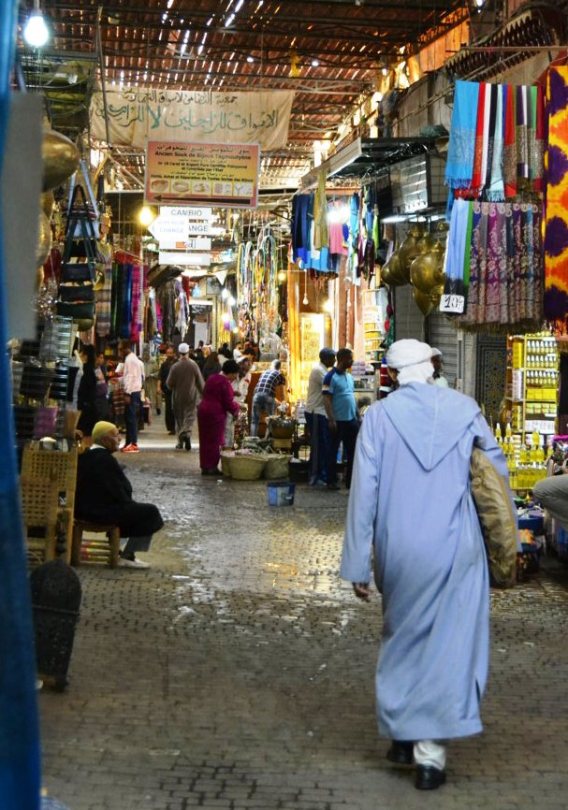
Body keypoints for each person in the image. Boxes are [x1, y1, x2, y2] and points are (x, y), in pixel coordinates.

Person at [340, 338, 513, 790]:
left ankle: (402, 733)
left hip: (400, 549)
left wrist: (357, 564)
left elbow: (364, 495)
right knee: (447, 648)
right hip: (457, 549)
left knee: (402, 639)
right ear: (432, 367)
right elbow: (496, 479)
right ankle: (430, 757)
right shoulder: (466, 410)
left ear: (396, 375)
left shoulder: (379, 418)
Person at [75, 421, 164, 569]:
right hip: (98, 511)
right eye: (116, 436)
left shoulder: (88, 455)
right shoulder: (105, 460)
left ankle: (121, 549)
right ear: (104, 440)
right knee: (150, 512)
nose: (120, 439)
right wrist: (130, 504)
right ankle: (128, 555)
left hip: (85, 509)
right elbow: (118, 491)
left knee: (135, 509)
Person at [322, 348, 359, 490]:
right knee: (332, 451)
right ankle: (331, 481)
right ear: (342, 359)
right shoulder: (330, 377)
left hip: (351, 420)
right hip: (337, 421)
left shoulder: (349, 377)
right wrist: (331, 419)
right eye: (350, 359)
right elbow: (326, 399)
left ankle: (350, 481)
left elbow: (351, 397)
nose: (352, 361)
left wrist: (357, 415)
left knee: (353, 451)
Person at [197, 359, 241, 475]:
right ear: (231, 373)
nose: (235, 377)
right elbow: (227, 402)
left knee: (205, 440)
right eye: (235, 375)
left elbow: (214, 392)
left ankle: (205, 466)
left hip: (203, 411)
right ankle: (212, 467)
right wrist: (236, 409)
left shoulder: (212, 378)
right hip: (215, 413)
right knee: (215, 441)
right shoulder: (225, 382)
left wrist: (233, 393)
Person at [305, 348, 336, 486]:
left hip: (320, 412)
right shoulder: (319, 371)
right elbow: (331, 386)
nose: (334, 361)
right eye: (333, 358)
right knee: (319, 445)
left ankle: (320, 474)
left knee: (323, 444)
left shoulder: (323, 370)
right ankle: (316, 475)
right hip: (316, 412)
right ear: (326, 359)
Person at [166, 342, 204, 451]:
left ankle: (180, 442)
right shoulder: (193, 365)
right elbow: (200, 382)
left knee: (179, 419)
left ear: (179, 352)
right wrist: (204, 394)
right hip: (191, 396)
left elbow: (169, 384)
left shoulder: (175, 367)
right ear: (188, 352)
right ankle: (186, 433)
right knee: (190, 417)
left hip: (177, 397)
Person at [119, 340, 144, 454]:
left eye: (120, 349)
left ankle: (133, 443)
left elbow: (131, 377)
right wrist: (119, 380)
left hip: (132, 392)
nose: (119, 352)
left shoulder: (130, 360)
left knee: (131, 418)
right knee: (129, 418)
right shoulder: (132, 359)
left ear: (126, 348)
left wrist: (127, 393)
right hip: (134, 391)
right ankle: (128, 442)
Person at [250, 360, 285, 436]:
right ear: (279, 367)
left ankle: (252, 439)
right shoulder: (279, 373)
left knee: (254, 420)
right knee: (271, 419)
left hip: (256, 395)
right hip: (268, 396)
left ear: (271, 365)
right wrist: (283, 401)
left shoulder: (264, 372)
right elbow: (282, 388)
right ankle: (267, 439)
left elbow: (263, 387)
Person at [76, 345, 98, 441]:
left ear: (85, 356)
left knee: (83, 437)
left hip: (85, 409)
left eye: (80, 353)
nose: (79, 356)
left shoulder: (85, 370)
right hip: (90, 407)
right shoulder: (90, 369)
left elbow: (82, 391)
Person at [157, 344, 177, 435]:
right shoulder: (164, 364)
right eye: (168, 353)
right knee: (168, 409)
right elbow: (160, 376)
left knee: (175, 409)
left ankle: (176, 426)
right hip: (167, 390)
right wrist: (158, 387)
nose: (169, 355)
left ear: (174, 353)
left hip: (176, 390)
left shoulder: (177, 363)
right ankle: (171, 427)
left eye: (170, 353)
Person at [94, 351, 110, 420]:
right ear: (96, 358)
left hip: (103, 395)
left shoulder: (101, 368)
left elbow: (103, 380)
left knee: (105, 414)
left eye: (103, 358)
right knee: (99, 416)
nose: (102, 360)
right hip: (97, 397)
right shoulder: (92, 369)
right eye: (101, 358)